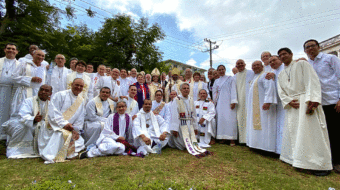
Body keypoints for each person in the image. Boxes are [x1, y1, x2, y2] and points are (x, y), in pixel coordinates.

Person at [277, 47, 332, 176]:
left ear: (291, 54)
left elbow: (312, 81)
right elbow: (281, 91)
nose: (282, 56)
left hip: (306, 102)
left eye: (284, 54)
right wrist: (288, 101)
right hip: (293, 106)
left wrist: (312, 100)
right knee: (295, 134)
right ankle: (297, 160)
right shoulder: (281, 74)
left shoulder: (302, 64)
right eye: (280, 55)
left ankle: (318, 164)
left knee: (311, 133)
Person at [303, 39, 340, 173]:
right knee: (323, 134)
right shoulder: (308, 64)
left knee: (335, 133)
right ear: (305, 51)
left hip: (333, 101)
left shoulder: (330, 58)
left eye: (312, 46)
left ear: (319, 47)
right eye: (307, 47)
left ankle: (337, 162)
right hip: (318, 104)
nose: (310, 49)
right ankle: (327, 160)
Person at [40, 78, 86, 163]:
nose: (78, 87)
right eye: (77, 85)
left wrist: (76, 130)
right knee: (61, 135)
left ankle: (68, 153)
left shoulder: (81, 100)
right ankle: (57, 155)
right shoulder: (60, 95)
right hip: (55, 126)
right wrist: (64, 124)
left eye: (81, 86)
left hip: (70, 128)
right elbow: (53, 112)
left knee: (80, 140)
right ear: (71, 84)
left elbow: (80, 118)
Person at [3, 84, 52, 158]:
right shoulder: (29, 101)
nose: (43, 92)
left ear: (50, 94)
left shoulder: (51, 104)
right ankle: (19, 151)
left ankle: (44, 150)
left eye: (46, 91)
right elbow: (23, 115)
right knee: (23, 127)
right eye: (41, 89)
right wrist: (34, 119)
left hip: (41, 125)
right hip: (26, 123)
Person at [168, 83, 208, 157]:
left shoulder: (191, 99)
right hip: (180, 124)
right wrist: (175, 129)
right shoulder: (176, 100)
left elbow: (194, 115)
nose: (186, 90)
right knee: (182, 145)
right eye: (184, 88)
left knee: (192, 141)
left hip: (189, 124)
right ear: (180, 90)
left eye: (187, 88)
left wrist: (195, 127)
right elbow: (174, 115)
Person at [246, 61, 277, 152]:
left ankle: (265, 147)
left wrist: (268, 101)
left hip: (263, 106)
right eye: (253, 66)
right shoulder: (255, 78)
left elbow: (270, 87)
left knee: (264, 124)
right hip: (255, 106)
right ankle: (256, 145)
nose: (255, 67)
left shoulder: (265, 75)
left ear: (262, 66)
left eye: (257, 65)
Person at [11, 50, 48, 117]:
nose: (40, 57)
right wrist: (30, 79)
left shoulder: (43, 67)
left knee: (36, 113)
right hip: (24, 92)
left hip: (38, 93)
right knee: (22, 113)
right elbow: (14, 77)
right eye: (38, 55)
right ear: (33, 55)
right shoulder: (24, 64)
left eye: (43, 56)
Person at [213, 65, 238, 146]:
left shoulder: (230, 78)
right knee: (221, 120)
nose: (221, 71)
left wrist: (233, 101)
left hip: (228, 102)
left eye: (222, 69)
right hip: (219, 103)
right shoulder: (216, 81)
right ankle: (222, 137)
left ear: (225, 70)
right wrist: (214, 102)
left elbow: (233, 89)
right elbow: (214, 92)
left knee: (230, 120)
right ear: (217, 71)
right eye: (219, 70)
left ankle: (232, 139)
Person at [265, 55, 285, 154]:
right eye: (270, 62)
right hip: (279, 103)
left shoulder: (286, 68)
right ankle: (280, 150)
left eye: (274, 60)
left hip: (288, 102)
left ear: (280, 60)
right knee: (279, 126)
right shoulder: (273, 72)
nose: (272, 63)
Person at [0, 43, 20, 140]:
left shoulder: (20, 64)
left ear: (16, 52)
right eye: (8, 48)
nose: (11, 51)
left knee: (10, 110)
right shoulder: (0, 61)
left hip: (13, 90)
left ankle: (7, 133)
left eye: (13, 49)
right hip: (1, 88)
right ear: (5, 50)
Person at [234, 59, 254, 144]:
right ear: (236, 66)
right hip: (239, 100)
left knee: (249, 118)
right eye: (238, 64)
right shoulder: (235, 76)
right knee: (240, 118)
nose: (240, 65)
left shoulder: (251, 73)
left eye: (241, 63)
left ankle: (250, 139)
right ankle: (242, 139)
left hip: (249, 100)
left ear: (245, 64)